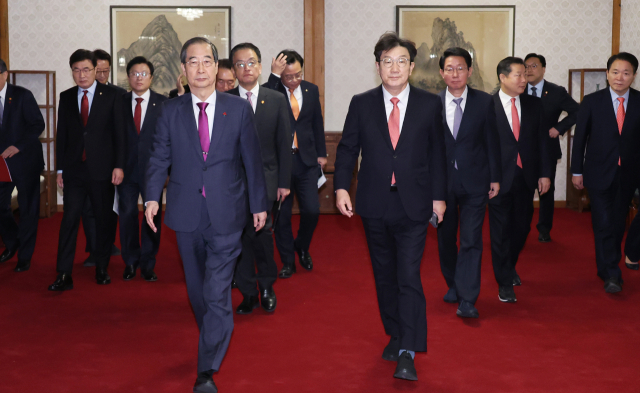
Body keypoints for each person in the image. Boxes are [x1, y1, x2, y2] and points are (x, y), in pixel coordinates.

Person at [144, 37, 267, 393]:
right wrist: (152, 197)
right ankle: (211, 332)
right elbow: (157, 159)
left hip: (227, 212)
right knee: (198, 292)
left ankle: (206, 370)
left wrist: (258, 203)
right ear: (183, 69)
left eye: (207, 61)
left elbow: (251, 161)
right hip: (185, 213)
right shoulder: (170, 111)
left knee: (215, 293)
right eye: (192, 62)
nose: (201, 68)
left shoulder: (238, 109)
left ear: (217, 67)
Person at [334, 32, 446, 381]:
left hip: (414, 204)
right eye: (387, 61)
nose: (394, 68)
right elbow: (348, 149)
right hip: (374, 203)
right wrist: (340, 187)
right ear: (378, 66)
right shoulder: (362, 102)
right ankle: (396, 334)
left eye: (401, 61)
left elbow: (438, 155)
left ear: (411, 66)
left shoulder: (429, 104)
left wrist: (439, 197)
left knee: (409, 276)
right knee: (385, 276)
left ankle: (408, 351)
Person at [48, 49, 125, 290]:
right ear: (71, 71)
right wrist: (59, 169)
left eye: (86, 70)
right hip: (74, 171)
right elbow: (63, 136)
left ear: (95, 70)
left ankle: (102, 267)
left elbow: (120, 136)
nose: (81, 75)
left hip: (103, 170)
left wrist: (119, 166)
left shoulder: (112, 95)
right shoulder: (67, 96)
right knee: (69, 220)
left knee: (103, 220)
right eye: (76, 70)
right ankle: (63, 273)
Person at [436, 48, 502, 319]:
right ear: (441, 73)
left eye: (460, 68)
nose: (455, 73)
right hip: (442, 184)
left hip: (476, 181)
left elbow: (492, 142)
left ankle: (467, 297)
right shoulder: (431, 103)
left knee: (471, 239)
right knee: (445, 240)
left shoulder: (485, 102)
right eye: (449, 68)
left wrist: (495, 177)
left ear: (470, 71)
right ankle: (453, 282)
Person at [227, 43, 292, 314]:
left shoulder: (275, 99)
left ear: (261, 66)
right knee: (238, 240)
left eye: (251, 63)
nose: (246, 68)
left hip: (266, 180)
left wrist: (284, 182)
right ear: (233, 70)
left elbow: (283, 144)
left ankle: (267, 286)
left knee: (262, 237)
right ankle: (248, 292)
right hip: (232, 184)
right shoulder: (225, 100)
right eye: (240, 64)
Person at [571, 52, 640, 293]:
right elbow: (579, 140)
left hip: (629, 174)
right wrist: (576, 171)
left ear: (633, 75)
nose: (620, 77)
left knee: (618, 222)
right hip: (598, 172)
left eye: (626, 73)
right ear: (607, 73)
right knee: (602, 222)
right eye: (615, 72)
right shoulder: (591, 101)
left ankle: (607, 266)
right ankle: (611, 273)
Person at [489, 57, 551, 303]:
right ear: (503, 77)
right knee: (500, 232)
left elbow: (542, 142)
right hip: (497, 180)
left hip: (526, 177)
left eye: (525, 74)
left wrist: (545, 173)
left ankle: (509, 264)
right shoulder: (487, 105)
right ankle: (504, 281)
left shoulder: (535, 105)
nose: (524, 79)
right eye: (518, 75)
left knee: (522, 227)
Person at [266, 49, 326, 278]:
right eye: (288, 76)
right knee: (282, 216)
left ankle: (301, 245)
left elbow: (316, 123)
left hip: (307, 161)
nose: (293, 80)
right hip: (280, 163)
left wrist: (322, 152)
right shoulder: (271, 91)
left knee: (312, 210)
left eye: (297, 75)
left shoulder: (311, 90)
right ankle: (288, 261)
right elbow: (261, 105)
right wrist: (273, 76)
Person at [118, 56, 167, 282]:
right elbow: (113, 138)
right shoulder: (118, 102)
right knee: (127, 215)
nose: (139, 78)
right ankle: (130, 261)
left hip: (153, 173)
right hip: (125, 172)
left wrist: (166, 171)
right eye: (134, 73)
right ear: (128, 77)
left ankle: (148, 263)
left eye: (144, 73)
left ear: (151, 77)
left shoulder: (163, 103)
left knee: (152, 218)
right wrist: (116, 166)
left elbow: (168, 141)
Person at [524, 53, 579, 242]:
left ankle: (544, 229)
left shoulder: (556, 91)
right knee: (524, 189)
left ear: (543, 69)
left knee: (546, 190)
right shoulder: (518, 89)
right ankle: (521, 226)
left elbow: (577, 111)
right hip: (523, 150)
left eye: (534, 66)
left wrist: (559, 127)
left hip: (547, 148)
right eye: (526, 67)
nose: (529, 70)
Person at [0, 58, 45, 272]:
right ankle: (12, 243)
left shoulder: (22, 95)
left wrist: (17, 146)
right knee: (1, 206)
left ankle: (25, 256)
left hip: (25, 160)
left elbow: (38, 124)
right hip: (1, 163)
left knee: (28, 209)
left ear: (5, 75)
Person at [82, 48, 124, 266]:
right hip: (85, 165)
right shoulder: (79, 95)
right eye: (99, 71)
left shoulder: (117, 94)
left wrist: (119, 163)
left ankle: (107, 245)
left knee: (110, 209)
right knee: (88, 209)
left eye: (106, 72)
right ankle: (95, 248)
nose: (102, 76)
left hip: (110, 164)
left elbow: (121, 133)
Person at [169, 58, 235, 98]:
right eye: (221, 82)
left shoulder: (239, 99)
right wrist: (181, 94)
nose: (226, 87)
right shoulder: (187, 93)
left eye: (230, 82)